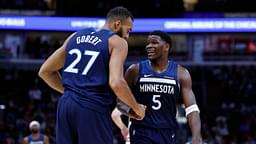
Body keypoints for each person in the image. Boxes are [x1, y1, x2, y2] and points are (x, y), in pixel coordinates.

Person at [38, 6, 146, 144]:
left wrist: (74, 92)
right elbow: (116, 83)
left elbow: (45, 71)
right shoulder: (117, 42)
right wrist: (137, 108)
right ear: (117, 24)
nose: (127, 36)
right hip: (92, 108)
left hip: (65, 105)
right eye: (128, 30)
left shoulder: (75, 36)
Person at [117, 30, 202, 144]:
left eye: (154, 43)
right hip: (140, 131)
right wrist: (132, 111)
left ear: (166, 47)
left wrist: (197, 137)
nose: (149, 46)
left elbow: (191, 108)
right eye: (147, 43)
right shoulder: (135, 70)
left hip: (167, 132)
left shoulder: (181, 73)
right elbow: (120, 103)